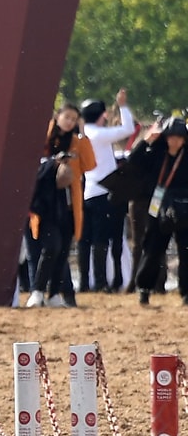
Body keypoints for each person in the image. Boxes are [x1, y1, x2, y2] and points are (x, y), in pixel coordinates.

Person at [24, 103, 95, 307]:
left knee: (63, 250)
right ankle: (37, 291)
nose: (70, 122)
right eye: (67, 117)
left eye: (74, 119)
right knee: (51, 246)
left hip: (68, 205)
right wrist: (53, 162)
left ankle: (54, 294)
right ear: (57, 117)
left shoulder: (75, 142)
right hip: (45, 204)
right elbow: (32, 164)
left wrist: (82, 134)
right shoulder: (45, 138)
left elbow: (89, 164)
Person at [74, 90, 134, 292]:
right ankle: (101, 282)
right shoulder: (99, 134)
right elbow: (128, 129)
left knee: (85, 239)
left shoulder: (82, 135)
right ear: (101, 115)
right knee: (101, 239)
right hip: (104, 191)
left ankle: (84, 282)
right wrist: (123, 106)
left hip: (86, 191)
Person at [131, 116, 188, 306]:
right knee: (153, 248)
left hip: (184, 205)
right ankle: (145, 289)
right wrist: (147, 139)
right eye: (171, 136)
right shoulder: (156, 153)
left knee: (186, 250)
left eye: (180, 137)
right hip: (159, 204)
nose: (175, 141)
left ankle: (186, 293)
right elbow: (133, 161)